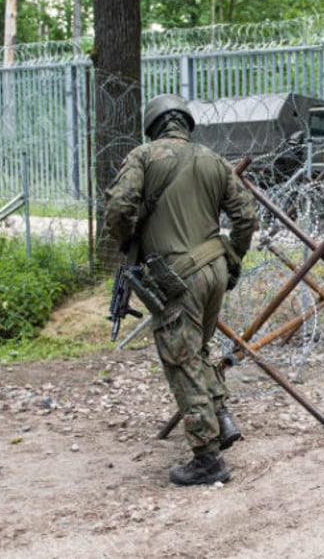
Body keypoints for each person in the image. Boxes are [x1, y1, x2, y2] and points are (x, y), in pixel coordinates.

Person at [105, 93, 258, 485]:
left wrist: (128, 241)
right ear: (186, 124)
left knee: (182, 359)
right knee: (198, 350)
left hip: (176, 278)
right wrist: (233, 258)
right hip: (215, 270)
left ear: (154, 125)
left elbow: (120, 208)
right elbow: (246, 217)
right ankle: (221, 419)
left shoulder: (143, 157)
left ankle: (207, 459)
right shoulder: (214, 160)